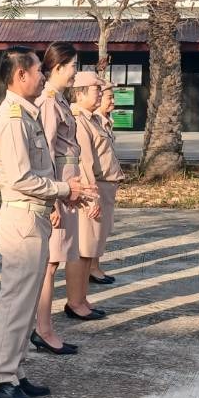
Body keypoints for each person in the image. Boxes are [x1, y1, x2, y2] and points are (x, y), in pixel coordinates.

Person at [0, 47, 91, 398]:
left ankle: (14, 373)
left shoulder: (27, 114)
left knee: (26, 302)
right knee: (15, 302)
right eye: (37, 72)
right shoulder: (13, 117)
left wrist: (63, 194)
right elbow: (20, 178)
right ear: (21, 75)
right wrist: (64, 190)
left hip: (34, 216)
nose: (42, 77)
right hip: (22, 218)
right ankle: (2, 381)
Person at [34, 41, 98, 354]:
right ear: (58, 67)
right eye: (72, 66)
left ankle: (44, 327)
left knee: (54, 262)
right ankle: (42, 329)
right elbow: (45, 152)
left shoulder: (57, 100)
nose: (75, 72)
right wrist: (53, 201)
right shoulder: (48, 102)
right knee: (49, 263)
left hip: (66, 189)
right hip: (56, 191)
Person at [74, 74, 124, 285]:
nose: (109, 100)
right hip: (95, 185)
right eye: (101, 93)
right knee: (89, 238)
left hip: (106, 183)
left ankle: (92, 270)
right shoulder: (81, 121)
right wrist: (91, 197)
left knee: (99, 233)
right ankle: (84, 281)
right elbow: (85, 162)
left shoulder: (97, 121)